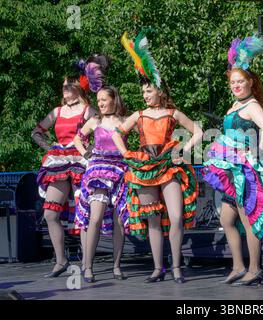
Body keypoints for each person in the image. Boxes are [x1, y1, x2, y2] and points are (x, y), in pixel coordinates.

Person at [112, 30, 203, 284]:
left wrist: (183, 151)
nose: (145, 95)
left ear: (160, 92)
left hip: (168, 164)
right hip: (143, 166)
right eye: (143, 92)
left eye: (149, 91)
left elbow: (199, 131)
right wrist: (126, 154)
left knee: (175, 217)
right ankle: (157, 267)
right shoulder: (139, 115)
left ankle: (175, 267)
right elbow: (117, 134)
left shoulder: (173, 113)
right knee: (153, 218)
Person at [202, 35, 263, 286]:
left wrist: (256, 154)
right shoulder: (234, 106)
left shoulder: (252, 105)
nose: (236, 85)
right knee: (227, 219)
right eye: (233, 82)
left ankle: (255, 268)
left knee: (248, 219)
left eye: (241, 81)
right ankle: (238, 266)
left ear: (250, 82)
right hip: (231, 168)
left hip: (245, 171)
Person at [32, 55, 104, 277]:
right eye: (63, 85)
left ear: (78, 87)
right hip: (59, 162)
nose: (63, 88)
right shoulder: (57, 111)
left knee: (82, 214)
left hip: (81, 162)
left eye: (68, 85)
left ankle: (86, 264)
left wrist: (90, 150)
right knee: (50, 213)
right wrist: (50, 148)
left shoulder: (88, 110)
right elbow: (36, 132)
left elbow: (102, 132)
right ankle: (61, 260)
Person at [74, 85, 129, 283]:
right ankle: (87, 266)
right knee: (95, 218)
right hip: (99, 171)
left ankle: (116, 265)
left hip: (121, 171)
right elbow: (77, 139)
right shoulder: (95, 121)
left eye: (104, 100)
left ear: (114, 99)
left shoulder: (124, 121)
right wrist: (87, 155)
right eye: (98, 101)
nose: (100, 104)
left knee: (119, 221)